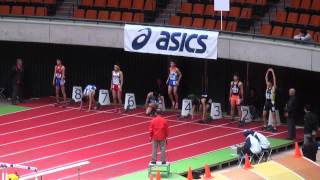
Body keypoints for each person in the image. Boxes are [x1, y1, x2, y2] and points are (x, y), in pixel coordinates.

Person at [262, 68, 277, 132]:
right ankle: (265, 126)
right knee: (264, 114)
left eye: (268, 83)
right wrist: (268, 71)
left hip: (272, 103)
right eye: (267, 83)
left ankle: (274, 127)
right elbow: (265, 78)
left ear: (270, 83)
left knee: (273, 116)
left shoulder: (273, 88)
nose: (267, 83)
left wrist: (272, 72)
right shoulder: (267, 88)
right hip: (266, 102)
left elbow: (274, 79)